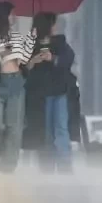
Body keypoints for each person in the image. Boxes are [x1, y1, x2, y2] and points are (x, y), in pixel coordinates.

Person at [0, 1, 41, 173]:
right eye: (12, 14)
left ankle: (8, 167)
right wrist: (0, 53)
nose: (14, 17)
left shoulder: (16, 36)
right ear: (3, 15)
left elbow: (24, 59)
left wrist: (31, 39)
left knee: (15, 128)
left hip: (16, 82)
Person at [24, 12, 76, 172]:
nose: (54, 27)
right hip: (40, 95)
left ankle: (65, 166)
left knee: (61, 129)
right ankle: (46, 167)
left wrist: (52, 58)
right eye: (53, 23)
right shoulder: (30, 45)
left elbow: (68, 59)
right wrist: (33, 61)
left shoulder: (60, 42)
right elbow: (22, 68)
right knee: (45, 132)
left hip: (59, 92)